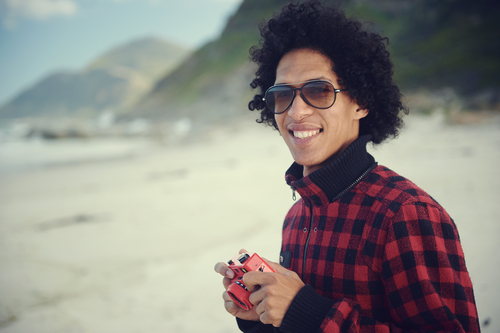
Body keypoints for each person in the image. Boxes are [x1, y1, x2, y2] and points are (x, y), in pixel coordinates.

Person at [214, 1, 480, 332]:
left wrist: (305, 311)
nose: (296, 113)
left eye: (318, 90)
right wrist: (261, 315)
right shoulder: (295, 218)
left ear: (361, 102)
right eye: (282, 95)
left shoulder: (407, 214)